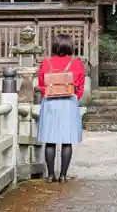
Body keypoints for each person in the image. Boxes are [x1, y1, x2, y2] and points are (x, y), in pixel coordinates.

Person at [37, 33, 85, 183]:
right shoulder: (76, 63)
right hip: (68, 102)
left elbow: (41, 84)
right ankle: (63, 175)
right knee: (67, 140)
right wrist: (74, 97)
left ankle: (51, 175)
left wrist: (48, 93)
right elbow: (80, 86)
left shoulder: (46, 63)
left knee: (50, 140)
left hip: (51, 102)